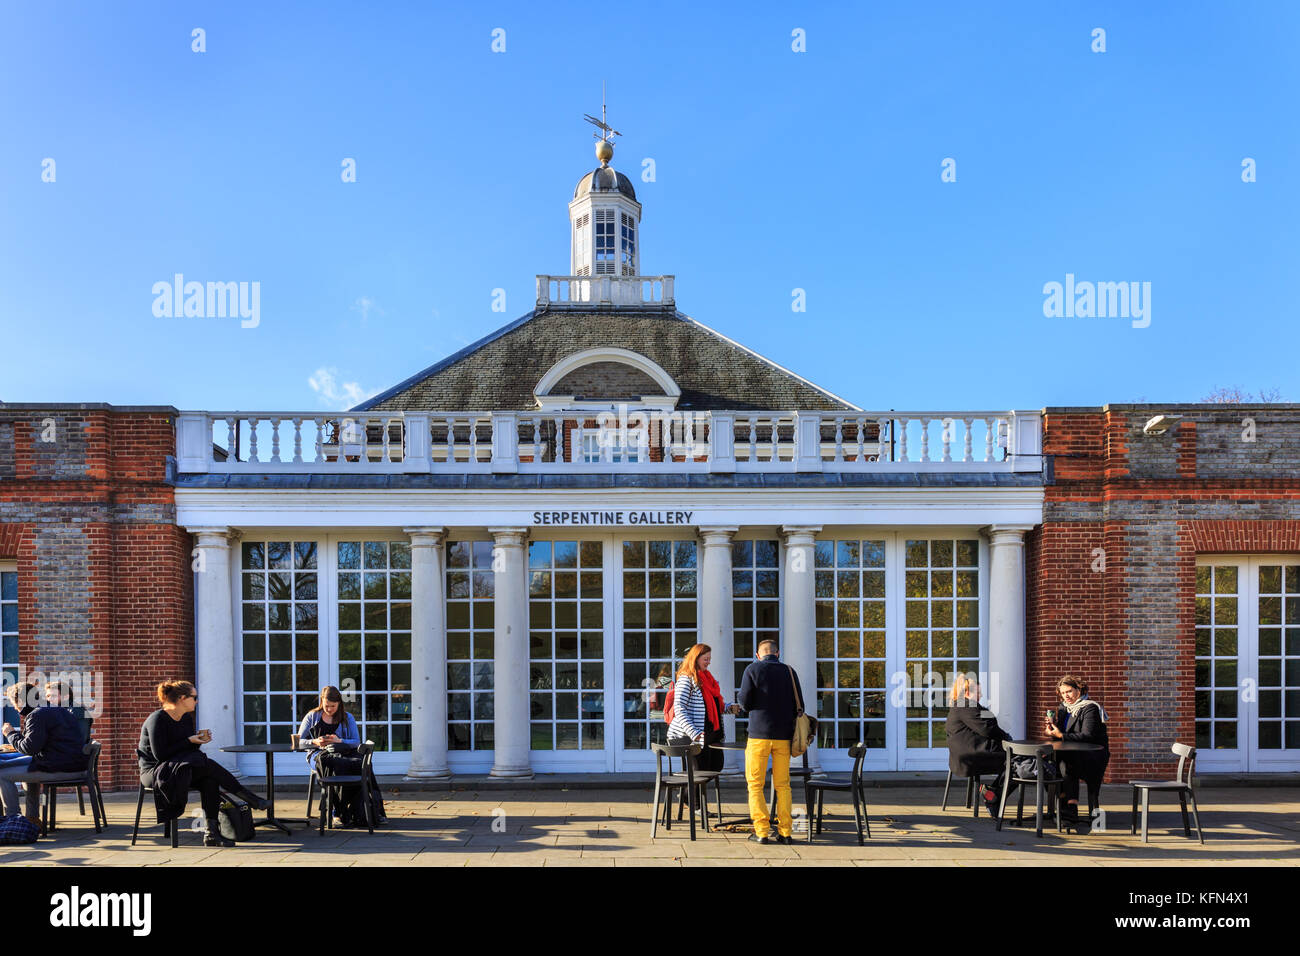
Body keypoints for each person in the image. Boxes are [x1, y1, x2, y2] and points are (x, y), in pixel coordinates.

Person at [138, 679, 268, 847]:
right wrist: (188, 740)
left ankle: (212, 834)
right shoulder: (157, 719)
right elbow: (160, 755)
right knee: (208, 767)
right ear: (183, 698)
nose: (197, 701)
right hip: (155, 771)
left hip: (180, 768)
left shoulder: (185, 718)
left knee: (210, 779)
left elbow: (188, 752)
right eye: (194, 697)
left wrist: (197, 742)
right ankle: (250, 798)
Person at [736, 639, 805, 845]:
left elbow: (744, 703)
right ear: (778, 653)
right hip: (784, 737)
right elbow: (800, 703)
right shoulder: (790, 672)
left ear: (758, 654)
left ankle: (762, 831)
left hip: (758, 735)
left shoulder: (752, 669)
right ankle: (785, 832)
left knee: (755, 785)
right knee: (783, 785)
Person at [1, 679, 87, 825]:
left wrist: (10, 734)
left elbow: (29, 749)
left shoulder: (37, 714)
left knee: (2, 775)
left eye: (13, 703)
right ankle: (32, 819)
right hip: (69, 763)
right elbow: (35, 746)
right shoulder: (55, 709)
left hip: (59, 767)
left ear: (21, 701)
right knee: (9, 766)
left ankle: (14, 821)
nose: (15, 708)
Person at [297, 686, 385, 827]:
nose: (330, 709)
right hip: (318, 755)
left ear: (339, 704)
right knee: (333, 764)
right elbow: (298, 741)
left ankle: (369, 809)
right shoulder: (312, 716)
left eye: (333, 706)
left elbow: (356, 741)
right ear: (321, 701)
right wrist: (314, 741)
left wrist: (339, 741)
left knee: (361, 764)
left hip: (343, 753)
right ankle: (336, 812)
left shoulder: (347, 717)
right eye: (327, 706)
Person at [1046, 675, 1110, 831]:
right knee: (1048, 764)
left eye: (1069, 691)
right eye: (1063, 693)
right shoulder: (1063, 708)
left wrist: (1060, 735)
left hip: (1092, 757)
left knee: (1066, 765)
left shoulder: (1090, 708)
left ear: (1079, 690)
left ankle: (1069, 808)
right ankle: (1065, 806)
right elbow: (1063, 735)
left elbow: (1087, 736)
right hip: (1071, 753)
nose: (1066, 696)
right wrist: (1053, 730)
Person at [666, 643, 740, 774]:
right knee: (699, 772)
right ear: (696, 658)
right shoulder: (686, 679)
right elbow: (679, 708)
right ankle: (689, 794)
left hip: (711, 735)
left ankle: (690, 794)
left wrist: (729, 708)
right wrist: (694, 733)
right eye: (706, 659)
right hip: (693, 736)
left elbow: (713, 707)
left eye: (709, 659)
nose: (708, 662)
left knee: (715, 767)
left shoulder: (709, 679)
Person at [944, 674, 1012, 811]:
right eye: (978, 693)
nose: (980, 696)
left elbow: (988, 722)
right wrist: (1007, 738)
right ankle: (993, 796)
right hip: (972, 757)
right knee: (1015, 763)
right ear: (968, 692)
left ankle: (992, 795)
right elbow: (988, 729)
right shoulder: (968, 706)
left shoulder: (961, 705)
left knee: (1014, 761)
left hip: (963, 756)